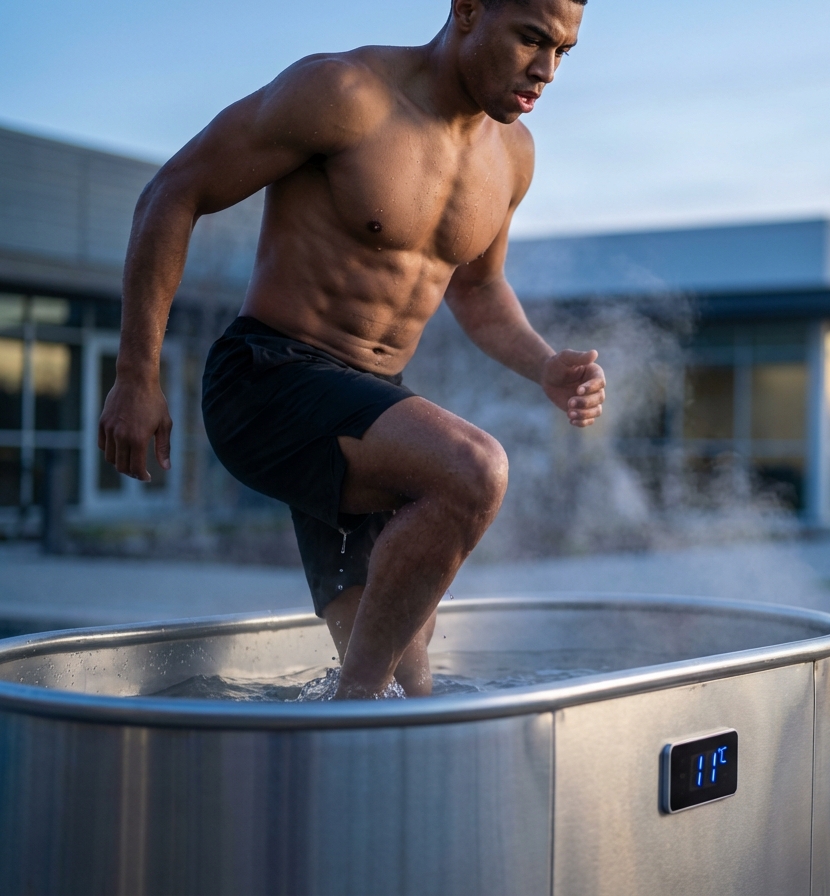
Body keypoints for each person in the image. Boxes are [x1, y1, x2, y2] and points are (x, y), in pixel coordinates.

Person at [96, 0, 603, 700]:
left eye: (563, 51)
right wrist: (134, 373)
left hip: (372, 400)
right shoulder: (346, 95)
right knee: (474, 471)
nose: (545, 69)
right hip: (268, 378)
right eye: (530, 39)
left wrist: (546, 364)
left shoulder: (512, 157)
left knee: (410, 675)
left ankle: (357, 727)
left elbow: (480, 293)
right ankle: (351, 705)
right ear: (467, 11)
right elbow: (172, 192)